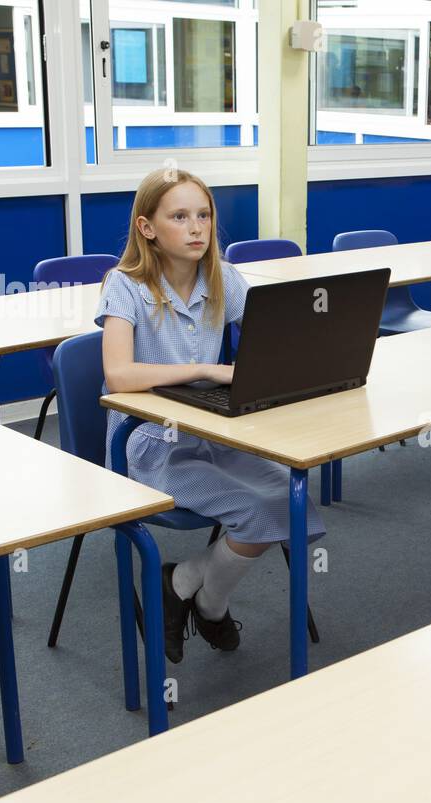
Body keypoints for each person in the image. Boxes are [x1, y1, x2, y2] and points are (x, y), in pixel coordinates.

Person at [96, 168, 325, 663]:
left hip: (213, 431)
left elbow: (272, 335)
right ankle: (212, 606)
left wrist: (304, 344)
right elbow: (117, 375)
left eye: (204, 215)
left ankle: (186, 587)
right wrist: (205, 368)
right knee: (258, 514)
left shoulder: (222, 277)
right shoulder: (125, 285)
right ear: (147, 228)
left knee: (295, 505)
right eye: (179, 216)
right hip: (148, 444)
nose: (197, 228)